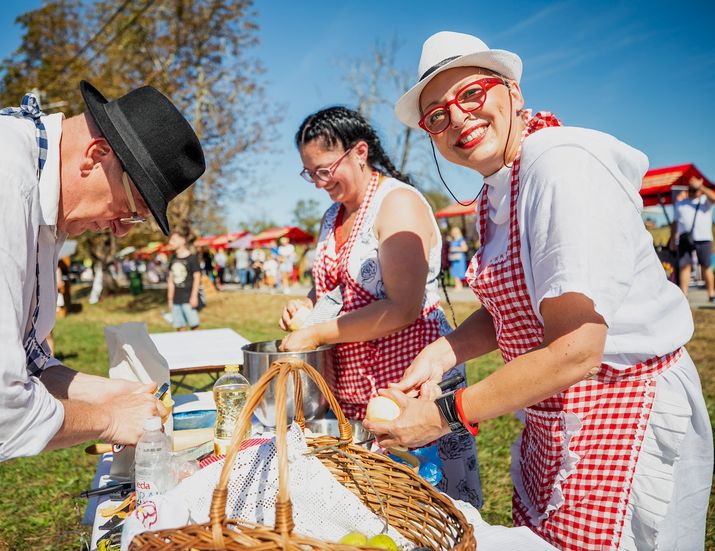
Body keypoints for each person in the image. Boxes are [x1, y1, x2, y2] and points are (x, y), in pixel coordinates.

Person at [363, 31, 712, 550]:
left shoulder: (559, 165)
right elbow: (518, 304)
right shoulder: (500, 187)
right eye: (436, 115)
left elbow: (577, 349)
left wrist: (443, 415)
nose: (457, 118)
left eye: (471, 95)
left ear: (513, 92)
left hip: (623, 405)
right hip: (559, 413)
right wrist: (443, 351)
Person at [0, 81, 205, 548]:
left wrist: (115, 394)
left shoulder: (34, 198)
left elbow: (30, 361)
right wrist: (110, 421)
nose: (119, 229)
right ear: (96, 155)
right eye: (131, 208)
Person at [279, 106, 482, 507]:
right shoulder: (331, 216)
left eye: (325, 169)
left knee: (426, 514)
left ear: (359, 151)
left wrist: (316, 332)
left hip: (410, 388)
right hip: (355, 393)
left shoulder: (397, 204)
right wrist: (303, 306)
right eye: (310, 173)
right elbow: (332, 289)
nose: (319, 182)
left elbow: (403, 306)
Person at [672, 175, 715, 301]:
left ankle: (711, 293)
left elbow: (713, 197)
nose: (693, 192)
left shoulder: (705, 201)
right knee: (684, 266)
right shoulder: (680, 203)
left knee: (705, 266)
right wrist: (673, 239)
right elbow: (675, 222)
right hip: (685, 238)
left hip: (704, 238)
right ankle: (684, 295)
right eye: (691, 189)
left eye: (695, 190)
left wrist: (700, 186)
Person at [166, 229, 202, 331]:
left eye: (173, 240)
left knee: (194, 326)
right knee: (179, 327)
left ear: (183, 240)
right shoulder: (172, 259)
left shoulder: (192, 258)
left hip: (188, 298)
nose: (170, 242)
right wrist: (170, 300)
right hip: (176, 299)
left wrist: (194, 296)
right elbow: (171, 280)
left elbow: (197, 277)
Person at [447, 226, 468, 291]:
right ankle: (458, 285)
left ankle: (459, 286)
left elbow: (465, 248)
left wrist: (455, 249)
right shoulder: (453, 240)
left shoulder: (460, 240)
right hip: (454, 258)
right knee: (454, 271)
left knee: (459, 271)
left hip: (459, 258)